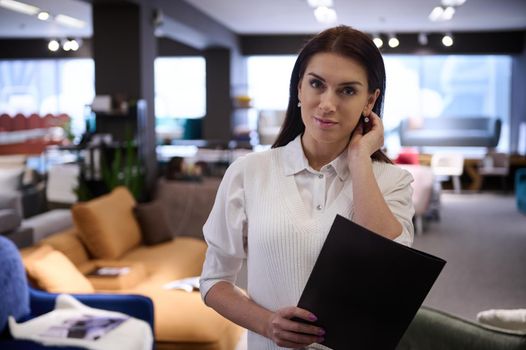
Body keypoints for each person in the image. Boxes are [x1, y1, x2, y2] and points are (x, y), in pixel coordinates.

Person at [199, 25, 415, 349]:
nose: (327, 104)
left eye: (347, 91)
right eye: (317, 84)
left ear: (370, 101)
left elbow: (389, 270)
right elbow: (214, 281)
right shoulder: (248, 173)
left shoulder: (393, 181)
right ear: (299, 87)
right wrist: (267, 324)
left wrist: (359, 160)